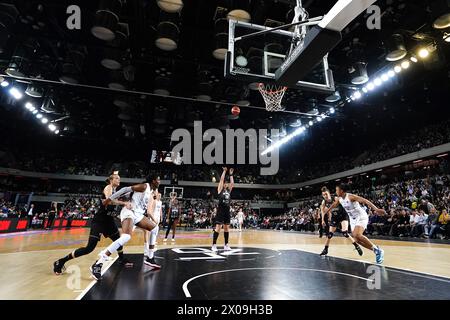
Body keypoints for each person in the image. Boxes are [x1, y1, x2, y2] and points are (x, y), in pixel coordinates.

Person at [53, 173, 133, 275]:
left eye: (119, 178)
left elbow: (111, 207)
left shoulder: (115, 191)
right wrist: (124, 203)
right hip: (99, 221)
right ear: (111, 180)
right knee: (89, 248)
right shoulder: (108, 187)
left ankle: (121, 259)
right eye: (117, 178)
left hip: (108, 221)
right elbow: (109, 201)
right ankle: (61, 261)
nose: (119, 180)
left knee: (118, 240)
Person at [90, 175, 160, 280]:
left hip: (138, 214)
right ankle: (98, 264)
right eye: (158, 179)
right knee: (126, 237)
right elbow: (125, 189)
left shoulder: (150, 192)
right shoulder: (144, 186)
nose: (160, 181)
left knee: (155, 228)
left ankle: (150, 258)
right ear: (153, 180)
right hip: (129, 212)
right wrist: (109, 199)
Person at [324, 183, 385, 264]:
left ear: (341, 191)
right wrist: (327, 211)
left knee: (357, 235)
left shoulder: (351, 196)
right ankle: (376, 250)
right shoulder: (339, 198)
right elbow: (334, 204)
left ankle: (377, 250)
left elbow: (365, 201)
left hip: (361, 216)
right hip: (353, 219)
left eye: (337, 190)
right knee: (357, 240)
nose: (336, 191)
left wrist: (376, 209)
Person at [319, 187, 362, 257]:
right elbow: (322, 211)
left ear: (329, 193)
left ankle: (356, 246)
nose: (325, 196)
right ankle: (325, 249)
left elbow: (345, 203)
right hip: (335, 217)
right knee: (330, 234)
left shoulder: (336, 198)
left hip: (343, 216)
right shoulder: (324, 201)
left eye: (326, 194)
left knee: (345, 233)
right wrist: (323, 220)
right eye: (323, 195)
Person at [212, 167, 234, 252]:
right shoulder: (220, 190)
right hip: (220, 210)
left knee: (226, 228)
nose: (226, 184)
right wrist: (224, 171)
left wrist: (231, 174)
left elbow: (232, 183)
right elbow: (221, 180)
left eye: (226, 183)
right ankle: (214, 244)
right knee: (218, 227)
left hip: (227, 211)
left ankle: (226, 244)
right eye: (225, 183)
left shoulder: (229, 191)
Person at [143, 190, 162, 269]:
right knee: (148, 232)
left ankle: (150, 254)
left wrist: (160, 217)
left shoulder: (159, 202)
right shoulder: (153, 200)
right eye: (157, 193)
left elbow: (159, 210)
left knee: (154, 232)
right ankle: (147, 251)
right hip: (152, 217)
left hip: (155, 217)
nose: (159, 195)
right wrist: (153, 219)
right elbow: (150, 212)